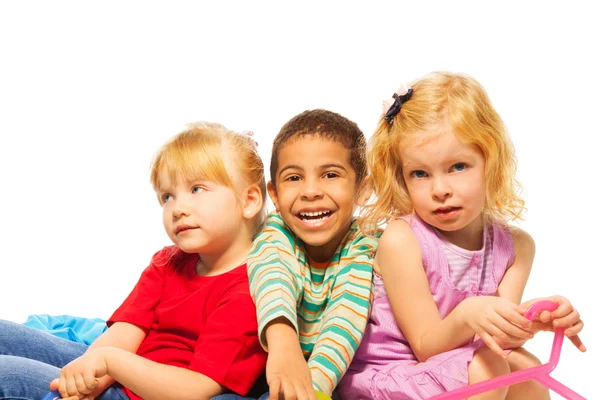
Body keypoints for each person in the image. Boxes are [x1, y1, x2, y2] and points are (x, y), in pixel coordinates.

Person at [338, 72, 586, 400]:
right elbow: (427, 346)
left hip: (457, 371)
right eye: (420, 174)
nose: (440, 189)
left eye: (458, 167)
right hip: (391, 378)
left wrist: (536, 319)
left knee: (526, 366)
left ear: (490, 161)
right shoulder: (402, 239)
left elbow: (500, 340)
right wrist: (468, 314)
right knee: (489, 366)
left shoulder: (516, 247)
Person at [0, 122, 268, 400]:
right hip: (115, 370)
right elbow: (127, 331)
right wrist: (93, 376)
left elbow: (196, 388)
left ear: (249, 201)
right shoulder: (169, 262)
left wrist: (109, 363)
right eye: (167, 196)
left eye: (197, 189)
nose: (178, 209)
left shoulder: (250, 288)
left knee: (6, 373)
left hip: (145, 394)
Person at [222, 109, 380, 400]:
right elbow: (273, 275)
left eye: (330, 175)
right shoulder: (276, 231)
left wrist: (314, 388)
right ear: (275, 195)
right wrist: (283, 342)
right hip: (271, 367)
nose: (310, 191)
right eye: (294, 177)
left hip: (326, 383)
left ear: (363, 189)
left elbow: (345, 315)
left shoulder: (365, 243)